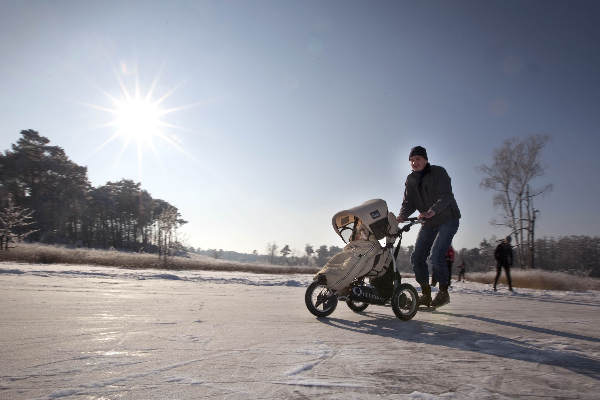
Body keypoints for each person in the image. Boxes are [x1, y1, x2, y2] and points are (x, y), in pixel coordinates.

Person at [397, 146, 461, 308]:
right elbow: (408, 203)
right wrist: (401, 216)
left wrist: (432, 211)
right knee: (417, 257)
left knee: (436, 256)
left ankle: (443, 292)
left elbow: (446, 196)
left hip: (448, 218)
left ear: (425, 159)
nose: (414, 162)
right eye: (411, 160)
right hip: (429, 222)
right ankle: (425, 294)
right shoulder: (410, 180)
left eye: (417, 159)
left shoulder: (438, 172)